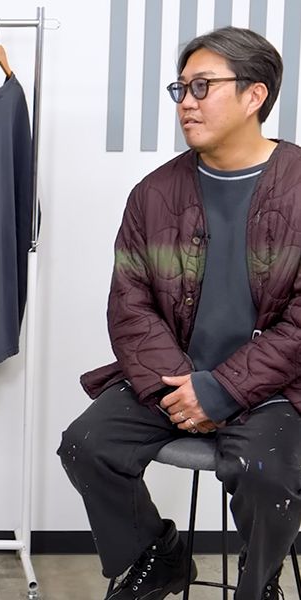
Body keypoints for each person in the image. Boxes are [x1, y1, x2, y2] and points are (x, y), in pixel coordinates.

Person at [59, 26, 301, 600]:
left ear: (255, 95)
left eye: (202, 86)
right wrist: (185, 388)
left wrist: (221, 392)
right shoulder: (154, 194)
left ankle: (260, 581)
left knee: (265, 474)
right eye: (181, 88)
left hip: (277, 386)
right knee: (87, 444)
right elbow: (130, 302)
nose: (186, 103)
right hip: (173, 378)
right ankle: (159, 556)